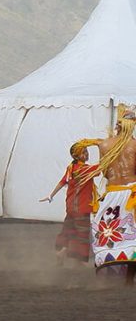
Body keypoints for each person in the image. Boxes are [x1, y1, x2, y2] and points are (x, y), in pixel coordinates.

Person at [89, 108, 136, 282]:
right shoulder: (135, 145)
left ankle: (108, 272)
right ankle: (129, 279)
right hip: (131, 195)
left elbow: (106, 173)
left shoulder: (104, 145)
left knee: (109, 234)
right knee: (133, 236)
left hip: (112, 196)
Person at [40, 140, 98, 265]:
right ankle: (76, 260)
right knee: (81, 234)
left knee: (71, 231)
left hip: (71, 207)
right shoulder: (85, 170)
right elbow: (102, 166)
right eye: (83, 153)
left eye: (86, 151)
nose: (86, 154)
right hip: (81, 209)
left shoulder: (71, 168)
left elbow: (62, 182)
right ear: (76, 156)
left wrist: (51, 195)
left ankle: (63, 252)